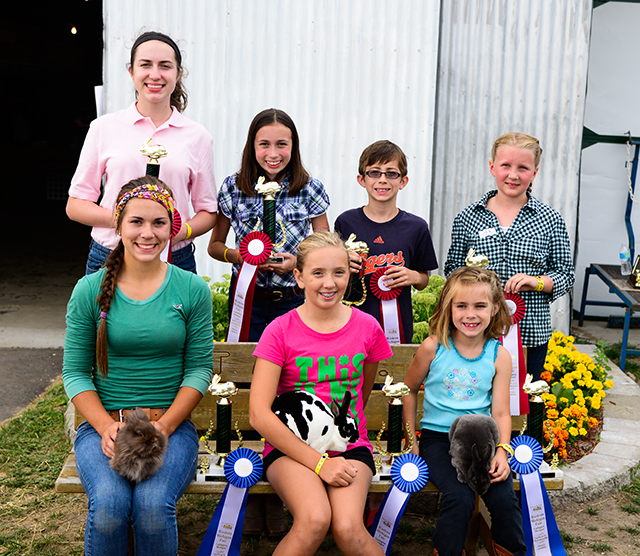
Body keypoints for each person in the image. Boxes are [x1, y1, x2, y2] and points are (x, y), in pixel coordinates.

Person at [63, 176, 213, 556]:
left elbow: (199, 369)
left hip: (170, 425)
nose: (148, 233)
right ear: (119, 224)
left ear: (172, 228)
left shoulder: (191, 288)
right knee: (110, 507)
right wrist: (104, 426)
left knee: (151, 507)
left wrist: (164, 425)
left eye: (159, 223)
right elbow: (75, 373)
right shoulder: (90, 289)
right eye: (136, 222)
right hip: (104, 426)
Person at [249, 231, 396, 556]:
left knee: (348, 527)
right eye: (317, 273)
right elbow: (258, 414)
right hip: (290, 450)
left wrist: (338, 448)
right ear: (298, 277)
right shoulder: (280, 330)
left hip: (349, 448)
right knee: (314, 519)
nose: (329, 283)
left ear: (350, 274)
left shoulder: (368, 328)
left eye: (339, 272)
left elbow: (361, 391)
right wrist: (318, 462)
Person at [402, 267, 527, 556]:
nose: (470, 315)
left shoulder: (499, 356)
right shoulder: (433, 347)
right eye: (462, 306)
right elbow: (408, 390)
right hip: (438, 441)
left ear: (495, 308)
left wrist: (501, 450)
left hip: (482, 442)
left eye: (480, 306)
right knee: (459, 498)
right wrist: (410, 441)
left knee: (504, 499)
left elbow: (500, 412)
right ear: (448, 306)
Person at [67, 30, 217, 275]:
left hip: (173, 257)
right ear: (131, 72)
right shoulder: (103, 128)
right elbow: (75, 205)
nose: (155, 75)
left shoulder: (198, 137)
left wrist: (181, 231)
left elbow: (208, 211)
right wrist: (122, 221)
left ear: (178, 74)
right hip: (110, 254)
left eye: (165, 66)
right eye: (145, 65)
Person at [444, 132, 575, 380]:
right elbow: (452, 270)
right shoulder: (467, 218)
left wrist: (535, 282)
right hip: (475, 333)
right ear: (493, 167)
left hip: (530, 335)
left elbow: (565, 275)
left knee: (524, 410)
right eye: (506, 165)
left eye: (523, 168)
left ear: (534, 173)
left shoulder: (551, 220)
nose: (513, 175)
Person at [208, 108, 330, 341]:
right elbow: (214, 246)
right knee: (244, 365)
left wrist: (298, 262)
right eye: (264, 144)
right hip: (246, 296)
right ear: (252, 146)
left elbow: (325, 249)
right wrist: (240, 257)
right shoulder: (233, 187)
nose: (273, 153)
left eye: (281, 144)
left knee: (293, 367)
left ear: (293, 147)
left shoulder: (310, 188)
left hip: (294, 296)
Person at [334, 140, 438, 344]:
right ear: (361, 179)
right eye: (374, 172)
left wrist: (413, 276)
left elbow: (424, 280)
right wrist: (342, 264)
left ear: (403, 181)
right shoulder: (345, 222)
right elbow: (331, 271)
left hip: (396, 328)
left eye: (391, 173)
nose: (382, 180)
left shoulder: (416, 227)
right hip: (350, 322)